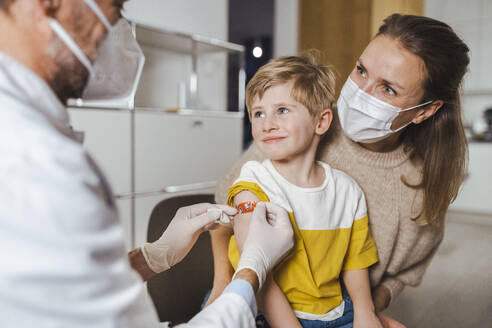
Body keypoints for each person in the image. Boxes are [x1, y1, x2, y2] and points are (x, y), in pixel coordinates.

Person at [0, 0, 294, 327]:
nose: (119, 31)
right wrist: (253, 268)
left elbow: (64, 293)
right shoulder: (32, 164)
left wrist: (152, 257)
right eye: (113, 10)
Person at [209, 13, 470, 327]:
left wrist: (363, 312)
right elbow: (230, 218)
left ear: (426, 110)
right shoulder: (294, 131)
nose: (361, 92)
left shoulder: (415, 190)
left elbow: (393, 273)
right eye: (361, 70)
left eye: (388, 89)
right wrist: (225, 289)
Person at [208, 54, 382, 328]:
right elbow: (258, 272)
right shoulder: (252, 184)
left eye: (282, 110)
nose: (267, 124)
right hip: (260, 310)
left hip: (332, 312)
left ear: (321, 122)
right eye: (258, 113)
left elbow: (355, 262)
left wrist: (365, 312)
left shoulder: (347, 191)